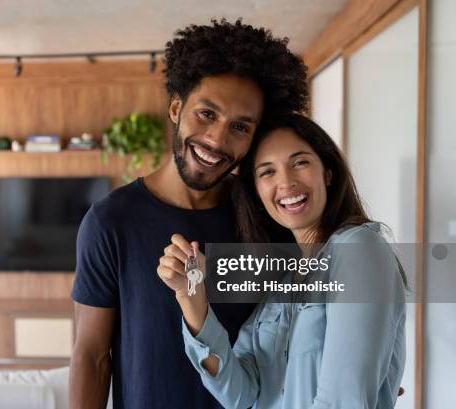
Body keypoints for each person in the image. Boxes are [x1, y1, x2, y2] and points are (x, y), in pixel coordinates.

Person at [69, 20, 308, 409]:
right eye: (207, 114)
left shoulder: (267, 216)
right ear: (177, 107)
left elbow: (305, 323)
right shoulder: (111, 221)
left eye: (240, 127)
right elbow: (91, 355)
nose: (216, 140)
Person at [157, 113, 407, 408]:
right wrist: (193, 300)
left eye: (300, 162)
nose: (286, 182)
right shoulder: (282, 285)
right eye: (267, 172)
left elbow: (343, 401)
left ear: (327, 172)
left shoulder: (358, 249)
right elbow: (240, 395)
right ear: (257, 193)